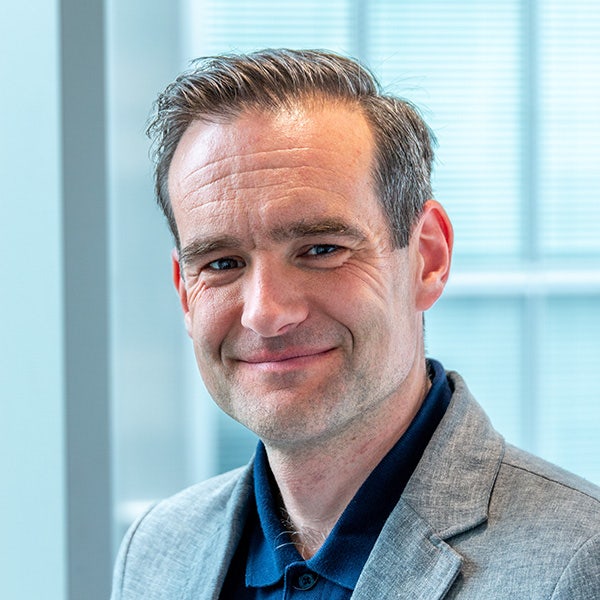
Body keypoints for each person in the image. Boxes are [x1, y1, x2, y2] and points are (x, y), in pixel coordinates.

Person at [111, 49, 600, 599]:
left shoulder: (580, 564)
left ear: (428, 258)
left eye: (321, 249)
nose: (265, 312)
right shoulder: (155, 551)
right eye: (222, 264)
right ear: (184, 291)